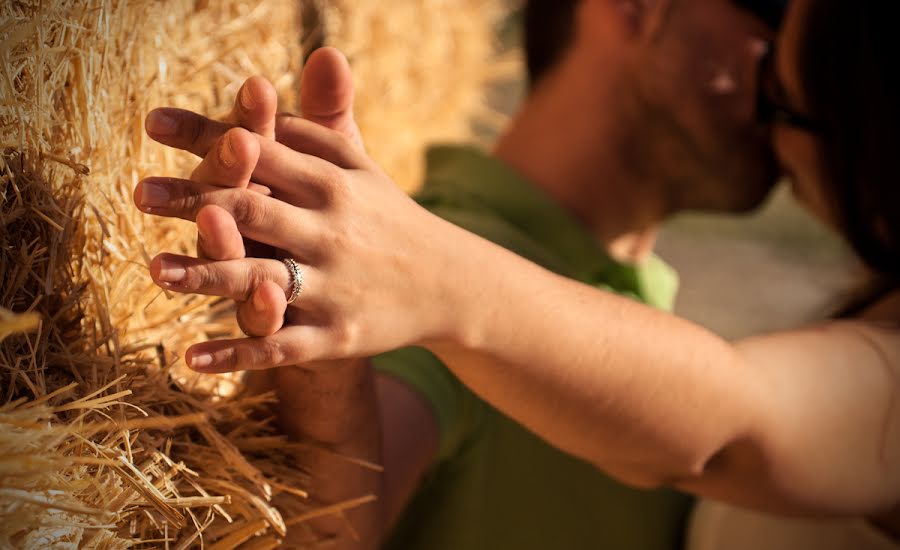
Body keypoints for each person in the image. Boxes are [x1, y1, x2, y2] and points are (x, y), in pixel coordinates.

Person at [138, 0, 900, 546]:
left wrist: (428, 272)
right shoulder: (438, 265)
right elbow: (309, 528)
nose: (788, 78)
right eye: (765, 10)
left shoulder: (623, 308)